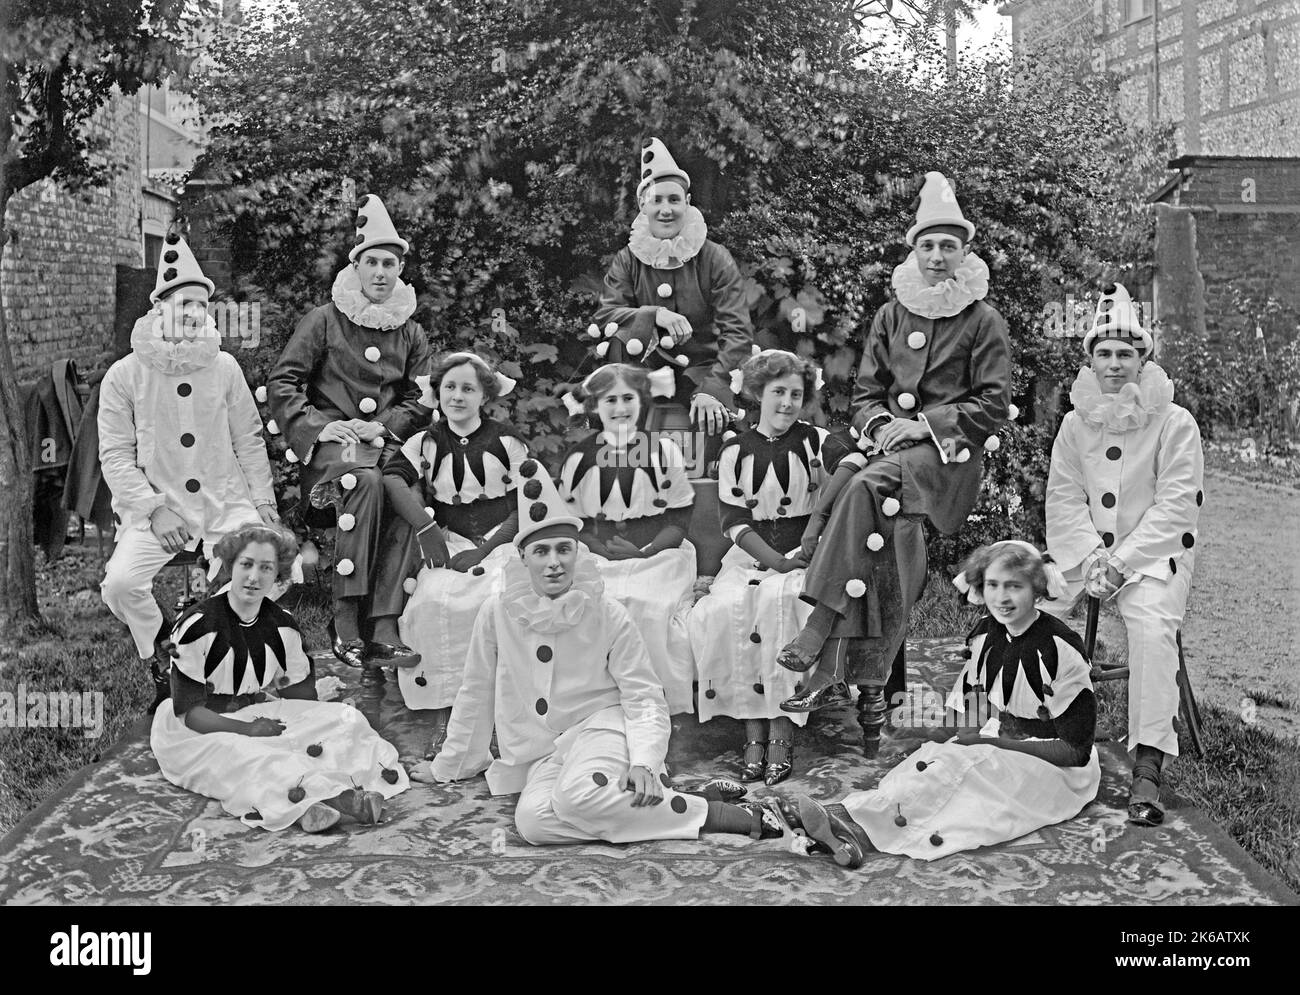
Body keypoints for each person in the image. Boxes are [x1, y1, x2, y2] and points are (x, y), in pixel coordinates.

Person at [413, 457, 790, 845]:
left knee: (576, 797)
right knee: (533, 823)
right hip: (544, 749)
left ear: (578, 552)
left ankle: (730, 815)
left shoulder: (607, 611)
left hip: (606, 729)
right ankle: (685, 802)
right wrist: (451, 764)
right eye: (541, 552)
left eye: (564, 549)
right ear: (522, 558)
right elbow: (475, 689)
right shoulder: (497, 611)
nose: (555, 563)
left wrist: (644, 759)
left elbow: (644, 695)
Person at [776, 172, 1011, 749]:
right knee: (861, 482)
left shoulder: (983, 319)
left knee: (862, 483)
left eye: (948, 246)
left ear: (964, 253)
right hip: (891, 452)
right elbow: (864, 394)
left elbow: (994, 403)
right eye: (927, 245)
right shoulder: (891, 314)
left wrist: (924, 425)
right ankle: (849, 667)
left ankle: (819, 624)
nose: (937, 256)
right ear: (914, 250)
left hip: (948, 457)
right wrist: (882, 425)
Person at [794, 541, 1100, 866]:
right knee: (933, 760)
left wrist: (991, 743)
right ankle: (849, 823)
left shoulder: (1060, 648)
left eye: (1015, 586)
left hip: (1057, 768)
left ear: (1037, 590)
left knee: (971, 771)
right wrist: (942, 737)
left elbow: (1075, 753)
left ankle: (854, 828)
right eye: (993, 585)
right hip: (1000, 738)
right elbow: (970, 710)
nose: (1002, 598)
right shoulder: (986, 635)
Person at [1043, 283, 1204, 827]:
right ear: (1090, 360)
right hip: (1085, 559)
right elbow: (1063, 498)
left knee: (1151, 627)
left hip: (1154, 559)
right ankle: (1031, 729)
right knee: (1027, 607)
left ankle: (1148, 766)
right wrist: (1091, 559)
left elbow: (1176, 509)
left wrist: (1119, 565)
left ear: (1143, 358)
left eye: (1125, 354)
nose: (1114, 365)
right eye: (1104, 354)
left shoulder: (1174, 421)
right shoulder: (1074, 422)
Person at [99, 233, 277, 711]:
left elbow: (250, 441)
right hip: (157, 511)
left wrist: (263, 507)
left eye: (203, 304)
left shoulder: (224, 367)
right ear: (160, 308)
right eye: (185, 303)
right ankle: (164, 653)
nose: (195, 313)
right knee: (120, 583)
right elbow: (115, 456)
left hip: (225, 502)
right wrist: (153, 510)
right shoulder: (125, 375)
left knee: (261, 571)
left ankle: (234, 667)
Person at [151, 523, 408, 833]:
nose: (254, 577)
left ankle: (331, 796)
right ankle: (331, 804)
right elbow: (191, 714)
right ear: (230, 566)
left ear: (278, 576)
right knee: (249, 755)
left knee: (346, 719)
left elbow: (298, 695)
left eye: (266, 568)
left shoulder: (282, 625)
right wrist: (249, 729)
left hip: (256, 708)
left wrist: (317, 712)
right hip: (196, 726)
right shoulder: (196, 626)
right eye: (246, 565)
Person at [267, 195, 431, 674]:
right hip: (334, 451)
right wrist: (320, 426)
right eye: (372, 263)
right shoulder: (324, 319)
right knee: (366, 481)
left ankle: (383, 622)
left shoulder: (410, 330)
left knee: (403, 488)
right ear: (356, 266)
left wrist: (385, 425)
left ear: (400, 269)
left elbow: (422, 396)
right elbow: (284, 381)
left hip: (384, 441)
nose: (381, 273)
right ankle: (345, 618)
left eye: (390, 264)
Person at [689, 350, 849, 785]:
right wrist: (775, 560)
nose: (787, 403)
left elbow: (853, 476)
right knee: (729, 607)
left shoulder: (818, 441)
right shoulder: (735, 450)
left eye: (796, 394)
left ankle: (781, 729)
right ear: (758, 393)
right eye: (778, 392)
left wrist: (810, 546)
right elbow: (734, 521)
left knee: (783, 601)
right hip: (753, 552)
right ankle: (751, 730)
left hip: (808, 550)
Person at [379, 352, 528, 713]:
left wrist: (485, 550)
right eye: (450, 387)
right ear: (438, 392)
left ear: (484, 396)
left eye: (468, 388)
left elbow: (525, 504)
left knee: (500, 599)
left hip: (503, 539)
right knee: (431, 602)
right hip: (451, 538)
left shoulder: (507, 441)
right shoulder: (425, 442)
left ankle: (503, 705)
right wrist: (426, 526)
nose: (457, 397)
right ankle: (447, 706)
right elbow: (393, 478)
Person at [591, 137, 752, 448]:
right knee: (616, 339)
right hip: (645, 370)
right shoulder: (628, 259)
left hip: (704, 369)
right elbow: (607, 313)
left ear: (687, 202)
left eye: (674, 200)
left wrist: (714, 386)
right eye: (657, 200)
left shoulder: (714, 257)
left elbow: (738, 331)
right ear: (643, 205)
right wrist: (655, 314)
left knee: (720, 439)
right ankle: (622, 448)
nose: (666, 210)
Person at [557, 364, 697, 714]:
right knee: (595, 605)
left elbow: (679, 519)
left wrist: (645, 551)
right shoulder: (579, 457)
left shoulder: (663, 452)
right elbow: (571, 521)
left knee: (649, 607)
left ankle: (654, 703)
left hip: (658, 552)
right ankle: (601, 701)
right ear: (595, 407)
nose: (620, 409)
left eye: (628, 399)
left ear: (641, 401)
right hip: (598, 552)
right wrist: (598, 548)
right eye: (610, 400)